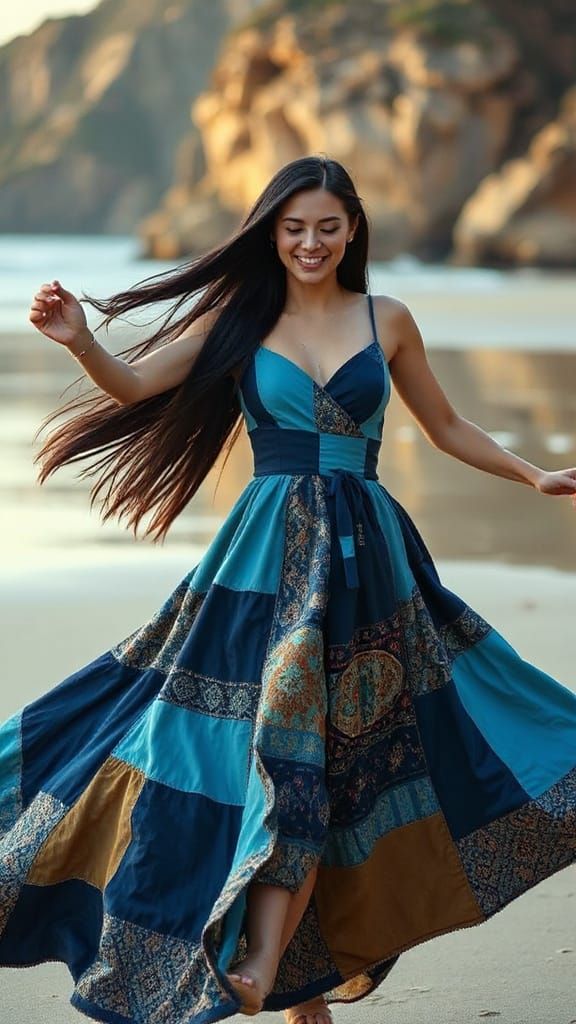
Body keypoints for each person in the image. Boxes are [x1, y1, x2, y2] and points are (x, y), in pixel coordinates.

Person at [1, 155, 575, 1024]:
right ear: (272, 233)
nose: (310, 242)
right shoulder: (242, 321)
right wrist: (81, 339)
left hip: (369, 566)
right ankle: (267, 969)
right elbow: (135, 384)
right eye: (294, 227)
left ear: (353, 232)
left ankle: (291, 982)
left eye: (327, 227)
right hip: (265, 566)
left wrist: (530, 474)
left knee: (341, 761)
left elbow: (447, 423)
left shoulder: (389, 319)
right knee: (283, 748)